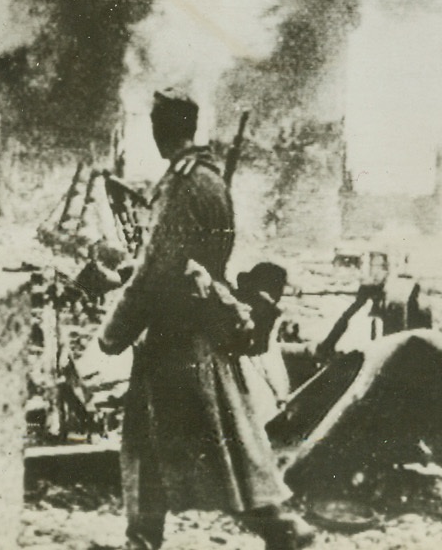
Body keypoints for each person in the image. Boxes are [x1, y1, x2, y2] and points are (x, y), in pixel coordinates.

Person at [99, 89, 312, 550]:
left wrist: (112, 334)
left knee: (220, 448)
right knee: (146, 439)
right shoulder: (213, 181)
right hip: (199, 329)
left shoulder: (181, 185)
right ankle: (142, 540)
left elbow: (154, 270)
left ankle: (286, 531)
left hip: (177, 337)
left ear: (161, 130)